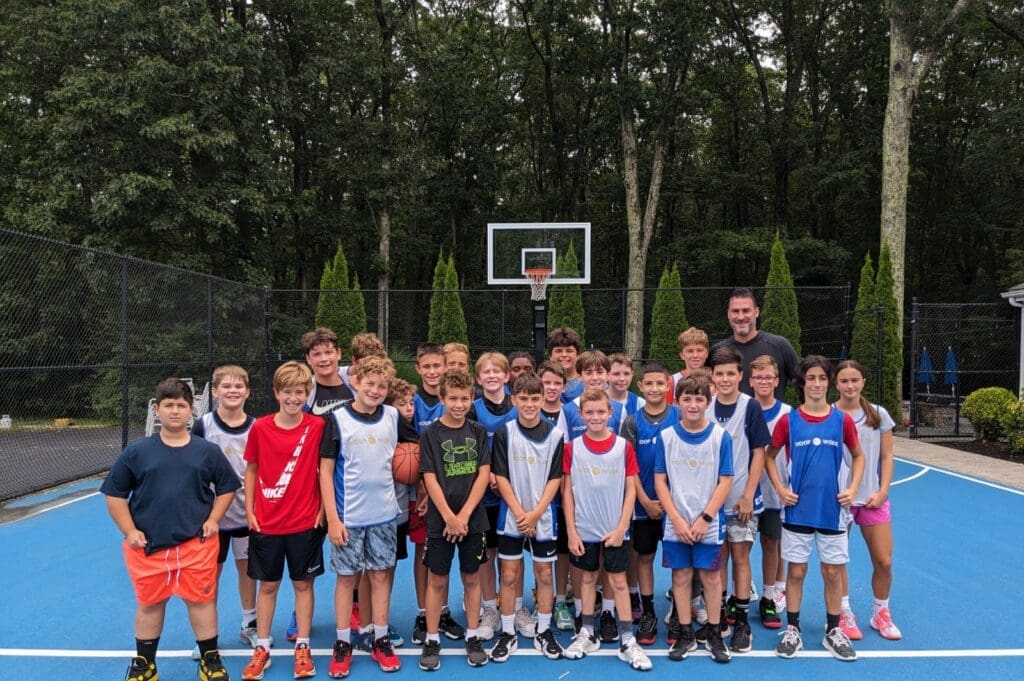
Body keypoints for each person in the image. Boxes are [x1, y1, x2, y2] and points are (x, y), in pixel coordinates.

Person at [103, 378, 239, 681]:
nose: (175, 411)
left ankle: (210, 660)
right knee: (150, 603)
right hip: (148, 545)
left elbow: (227, 487)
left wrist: (214, 519)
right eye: (168, 405)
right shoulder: (137, 452)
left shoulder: (207, 451)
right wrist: (129, 530)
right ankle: (145, 664)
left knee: (201, 602)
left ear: (191, 410)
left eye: (181, 405)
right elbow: (114, 494)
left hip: (196, 544)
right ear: (157, 409)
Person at [764, 355, 866, 662]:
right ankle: (793, 629)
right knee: (796, 571)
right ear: (802, 383)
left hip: (832, 510)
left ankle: (833, 630)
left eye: (822, 378)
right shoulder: (789, 421)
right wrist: (780, 489)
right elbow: (769, 455)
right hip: (797, 510)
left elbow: (858, 456)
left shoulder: (842, 421)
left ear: (829, 382)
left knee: (832, 572)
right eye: (811, 378)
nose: (817, 384)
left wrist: (852, 489)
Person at [320, 357, 414, 677]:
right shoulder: (337, 420)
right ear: (355, 383)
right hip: (349, 516)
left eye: (382, 386)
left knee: (380, 576)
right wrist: (333, 519)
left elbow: (416, 449)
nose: (375, 390)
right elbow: (325, 472)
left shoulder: (393, 417)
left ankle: (380, 638)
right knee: (347, 579)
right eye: (369, 383)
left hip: (385, 515)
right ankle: (343, 642)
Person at [241, 361, 326, 681]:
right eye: (288, 392)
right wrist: (250, 511)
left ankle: (302, 646)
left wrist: (322, 510)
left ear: (308, 394)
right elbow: (251, 469)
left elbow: (324, 470)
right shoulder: (260, 428)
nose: (294, 398)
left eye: (300, 392)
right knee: (268, 585)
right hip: (267, 522)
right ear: (276, 393)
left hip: (305, 521)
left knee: (303, 584)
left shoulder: (317, 426)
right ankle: (262, 647)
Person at [561, 390, 652, 671]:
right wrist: (572, 531)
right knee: (588, 578)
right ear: (581, 414)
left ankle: (627, 640)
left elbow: (631, 490)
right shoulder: (572, 448)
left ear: (610, 413)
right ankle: (587, 633)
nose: (595, 417)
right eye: (589, 412)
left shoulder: (623, 447)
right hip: (584, 528)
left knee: (619, 582)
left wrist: (622, 527)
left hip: (615, 529)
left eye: (601, 411)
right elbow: (567, 492)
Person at [654, 375, 734, 664]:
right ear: (677, 402)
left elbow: (726, 480)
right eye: (687, 398)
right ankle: (685, 633)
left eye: (699, 399)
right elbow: (660, 480)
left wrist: (705, 518)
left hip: (708, 522)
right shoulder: (667, 437)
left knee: (711, 577)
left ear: (708, 402)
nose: (693, 404)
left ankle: (714, 632)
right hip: (676, 521)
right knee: (681, 575)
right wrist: (676, 519)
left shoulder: (720, 437)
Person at [417, 369, 493, 671]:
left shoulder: (478, 431)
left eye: (464, 398)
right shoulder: (430, 434)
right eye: (453, 399)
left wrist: (464, 516)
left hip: (473, 520)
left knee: (471, 578)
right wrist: (449, 517)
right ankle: (432, 638)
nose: (459, 404)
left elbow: (483, 474)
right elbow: (429, 477)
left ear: (471, 397)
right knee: (437, 579)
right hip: (441, 521)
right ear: (442, 398)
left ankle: (472, 636)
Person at [489, 372, 566, 661]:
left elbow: (555, 479)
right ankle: (508, 631)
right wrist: (522, 514)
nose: (530, 404)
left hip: (542, 516)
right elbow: (501, 476)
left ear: (543, 399)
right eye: (524, 398)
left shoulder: (555, 435)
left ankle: (544, 630)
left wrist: (535, 514)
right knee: (509, 574)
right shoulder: (504, 433)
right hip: (512, 515)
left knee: (544, 573)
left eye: (535, 398)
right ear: (514, 400)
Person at [191, 366, 261, 658]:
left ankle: (249, 624)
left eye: (239, 386)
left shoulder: (257, 427)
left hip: (247, 513)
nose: (233, 391)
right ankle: (207, 635)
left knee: (247, 569)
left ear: (247, 392)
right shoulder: (203, 426)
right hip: (211, 518)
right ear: (215, 391)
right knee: (210, 575)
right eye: (226, 386)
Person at [707, 347, 770, 654]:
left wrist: (748, 494)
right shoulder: (705, 407)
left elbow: (759, 452)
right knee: (718, 560)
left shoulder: (751, 407)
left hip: (741, 501)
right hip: (712, 503)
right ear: (712, 376)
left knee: (741, 558)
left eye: (730, 373)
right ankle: (718, 616)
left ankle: (742, 622)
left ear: (740, 375)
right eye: (719, 374)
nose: (725, 379)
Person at [834, 360, 901, 641]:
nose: (850, 385)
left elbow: (887, 457)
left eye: (855, 380)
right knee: (838, 560)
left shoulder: (878, 415)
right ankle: (843, 612)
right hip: (840, 499)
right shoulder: (830, 415)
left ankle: (880, 613)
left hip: (872, 499)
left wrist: (883, 491)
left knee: (883, 561)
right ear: (836, 384)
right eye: (844, 380)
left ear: (863, 381)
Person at [409, 343, 466, 643]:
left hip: (454, 489)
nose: (432, 372)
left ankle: (442, 611)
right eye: (427, 367)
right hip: (422, 491)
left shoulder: (455, 401)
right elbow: (407, 451)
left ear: (446, 366)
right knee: (425, 552)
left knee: (448, 554)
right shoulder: (413, 403)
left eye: (437, 366)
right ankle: (423, 613)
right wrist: (421, 488)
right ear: (418, 368)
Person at [619, 362, 678, 645]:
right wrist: (644, 499)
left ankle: (679, 612)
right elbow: (628, 467)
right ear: (640, 386)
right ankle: (649, 612)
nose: (654, 388)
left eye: (660, 383)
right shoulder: (632, 422)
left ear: (668, 386)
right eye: (649, 384)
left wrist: (672, 503)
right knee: (644, 557)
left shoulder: (679, 416)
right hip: (645, 505)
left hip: (676, 506)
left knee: (679, 560)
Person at [466, 352, 520, 640]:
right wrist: (488, 476)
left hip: (513, 491)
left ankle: (517, 606)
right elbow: (471, 448)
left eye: (497, 371)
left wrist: (506, 479)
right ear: (478, 378)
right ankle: (489, 607)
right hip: (484, 491)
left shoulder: (518, 405)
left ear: (507, 375)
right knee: (486, 553)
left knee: (513, 554)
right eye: (486, 372)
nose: (492, 376)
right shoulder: (473, 409)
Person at [748, 355, 791, 630]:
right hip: (747, 491)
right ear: (750, 381)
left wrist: (788, 486)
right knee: (740, 545)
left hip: (775, 491)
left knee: (771, 543)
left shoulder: (787, 413)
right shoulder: (744, 409)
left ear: (776, 381)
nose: (763, 382)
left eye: (768, 377)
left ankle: (769, 594)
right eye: (758, 377)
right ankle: (741, 590)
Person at [388, 378, 429, 649]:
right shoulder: (385, 430)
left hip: (417, 501)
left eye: (411, 403)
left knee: (423, 552)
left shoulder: (417, 431)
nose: (409, 408)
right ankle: (378, 620)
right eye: (402, 404)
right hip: (391, 506)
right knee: (386, 562)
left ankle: (424, 612)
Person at [536, 360, 576, 631]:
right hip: (534, 497)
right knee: (536, 556)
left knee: (562, 551)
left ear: (564, 386)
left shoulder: (570, 413)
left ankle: (560, 600)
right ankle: (538, 599)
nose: (551, 388)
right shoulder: (528, 411)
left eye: (556, 383)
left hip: (563, 496)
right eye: (546, 382)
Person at [711, 288, 799, 400]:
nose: (741, 317)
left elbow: (804, 386)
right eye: (735, 311)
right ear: (728, 314)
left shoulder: (780, 346)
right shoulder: (717, 351)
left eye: (746, 311)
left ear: (756, 312)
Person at [302, 327, 355, 416]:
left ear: (338, 354)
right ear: (308, 359)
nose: (323, 359)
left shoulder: (356, 387)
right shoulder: (303, 393)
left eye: (328, 352)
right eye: (317, 354)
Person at [668, 327, 711, 397]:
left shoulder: (716, 379)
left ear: (707, 353)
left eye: (700, 350)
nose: (695, 355)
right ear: (682, 355)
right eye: (690, 351)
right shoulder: (671, 382)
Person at [547, 327, 584, 403]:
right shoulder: (541, 382)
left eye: (569, 351)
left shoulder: (588, 381)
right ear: (550, 356)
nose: (564, 355)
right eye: (558, 351)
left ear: (578, 355)